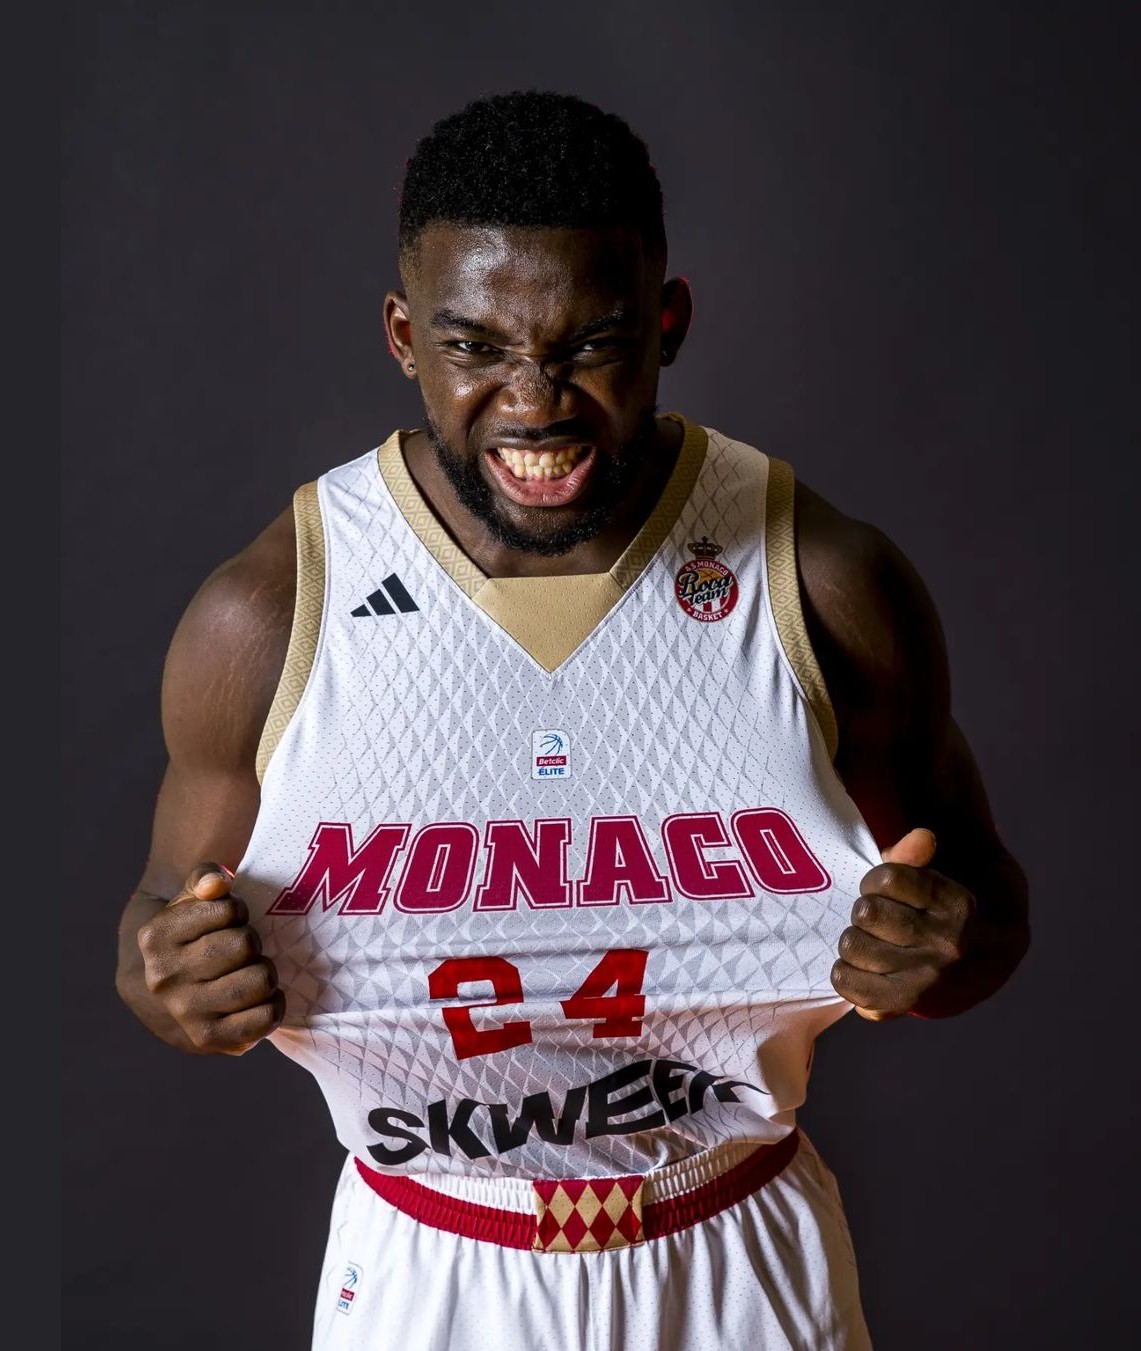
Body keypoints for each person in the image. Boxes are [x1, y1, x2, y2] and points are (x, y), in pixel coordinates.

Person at [115, 90, 1030, 1351]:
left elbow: (981, 905)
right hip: (429, 1257)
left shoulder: (821, 581)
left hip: (730, 1242)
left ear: (667, 323)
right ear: (404, 338)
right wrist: (174, 980)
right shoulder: (271, 611)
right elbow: (156, 926)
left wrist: (945, 944)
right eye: (476, 346)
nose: (534, 401)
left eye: (589, 344)